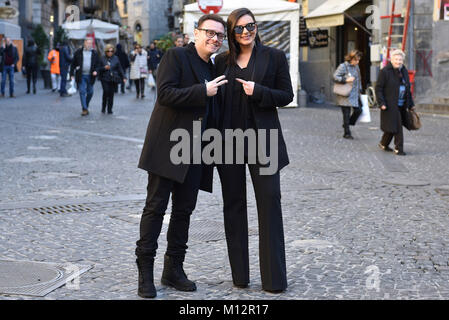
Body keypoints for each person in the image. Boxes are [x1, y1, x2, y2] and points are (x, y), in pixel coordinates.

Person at [135, 14, 227, 299]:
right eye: (210, 33)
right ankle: (145, 274)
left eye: (220, 35)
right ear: (196, 33)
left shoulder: (213, 67)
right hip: (168, 147)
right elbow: (165, 94)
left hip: (196, 151)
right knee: (155, 209)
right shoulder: (175, 56)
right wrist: (204, 90)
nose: (215, 38)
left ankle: (173, 270)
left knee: (184, 212)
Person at [214, 8, 293, 293]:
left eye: (251, 26)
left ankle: (274, 279)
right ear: (231, 32)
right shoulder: (221, 61)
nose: (247, 32)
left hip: (265, 142)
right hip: (228, 143)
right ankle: (240, 276)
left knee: (270, 204)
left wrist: (259, 91)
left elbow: (287, 95)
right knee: (234, 207)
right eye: (240, 28)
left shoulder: (274, 57)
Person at [376, 49, 415, 156]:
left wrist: (411, 104)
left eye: (400, 59)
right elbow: (379, 88)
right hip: (390, 104)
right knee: (397, 126)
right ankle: (399, 148)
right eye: (396, 59)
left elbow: (408, 88)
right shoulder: (385, 72)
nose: (398, 61)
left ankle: (383, 143)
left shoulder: (404, 71)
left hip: (402, 104)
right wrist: (381, 103)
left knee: (392, 126)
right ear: (391, 60)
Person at [333, 50, 363, 139]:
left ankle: (347, 123)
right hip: (345, 93)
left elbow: (359, 79)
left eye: (358, 60)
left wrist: (360, 89)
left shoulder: (357, 67)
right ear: (351, 59)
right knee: (346, 113)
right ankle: (347, 133)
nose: (357, 62)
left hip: (355, 93)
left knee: (359, 110)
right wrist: (346, 80)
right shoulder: (343, 66)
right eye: (356, 60)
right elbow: (335, 76)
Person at [70, 38, 100, 116]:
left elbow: (98, 64)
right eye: (88, 43)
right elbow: (73, 64)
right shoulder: (78, 52)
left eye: (90, 43)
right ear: (84, 43)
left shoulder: (94, 53)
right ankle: (84, 108)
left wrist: (96, 71)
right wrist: (71, 74)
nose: (89, 45)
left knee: (90, 92)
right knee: (82, 91)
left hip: (90, 75)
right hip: (81, 75)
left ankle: (85, 105)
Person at [99, 44, 126, 114]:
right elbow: (98, 68)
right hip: (104, 78)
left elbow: (120, 68)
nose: (110, 52)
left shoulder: (116, 58)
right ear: (106, 51)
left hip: (113, 78)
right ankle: (103, 107)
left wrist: (124, 77)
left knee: (111, 93)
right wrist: (104, 68)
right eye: (108, 51)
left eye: (111, 51)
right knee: (106, 91)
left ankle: (109, 109)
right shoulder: (102, 58)